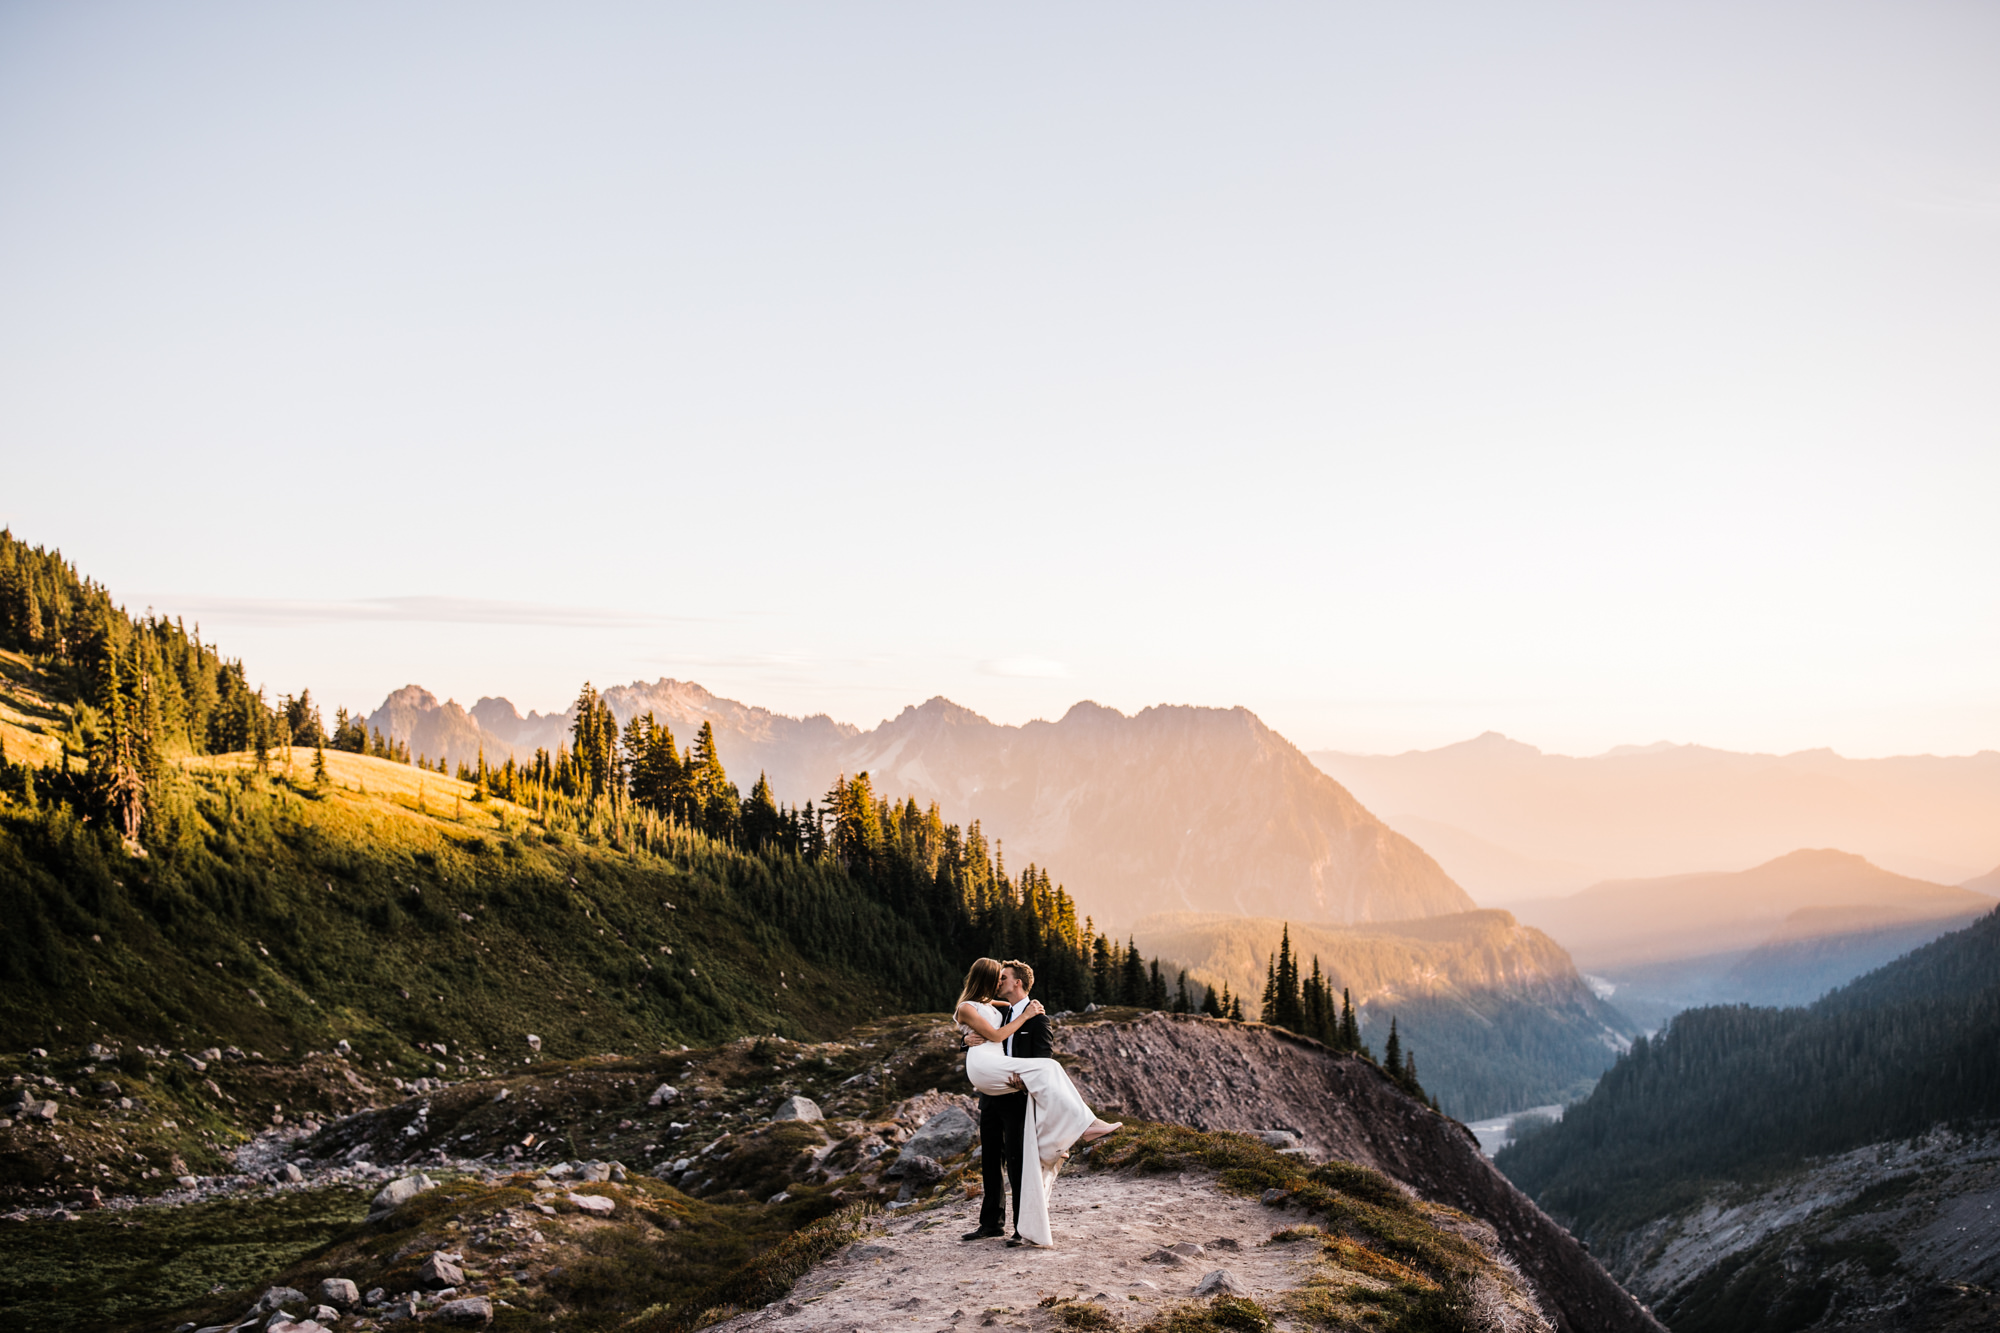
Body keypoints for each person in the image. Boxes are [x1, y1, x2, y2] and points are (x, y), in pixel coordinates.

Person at [952, 957, 1120, 1248]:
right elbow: (980, 1030)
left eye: (1003, 978)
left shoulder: (1037, 1018)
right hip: (991, 1096)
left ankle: (1021, 1227)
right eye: (996, 977)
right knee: (990, 1160)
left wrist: (1025, 1080)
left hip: (1016, 1097)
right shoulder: (1002, 1012)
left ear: (1017, 982)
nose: (998, 982)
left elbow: (1043, 1058)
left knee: (1018, 1162)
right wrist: (965, 1041)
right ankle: (990, 1223)